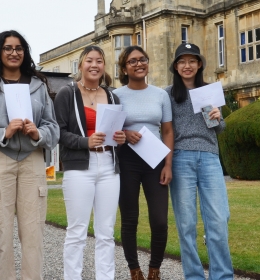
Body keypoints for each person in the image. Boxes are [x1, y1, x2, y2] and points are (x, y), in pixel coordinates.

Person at [0, 30, 59, 280]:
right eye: (8, 48)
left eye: (19, 48)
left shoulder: (38, 85)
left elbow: (53, 127)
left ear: (24, 52)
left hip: (32, 160)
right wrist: (4, 131)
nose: (14, 52)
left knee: (33, 234)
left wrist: (38, 133)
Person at [54, 45, 126, 280]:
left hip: (108, 166)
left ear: (104, 66)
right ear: (81, 65)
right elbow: (59, 133)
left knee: (106, 233)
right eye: (89, 61)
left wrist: (121, 137)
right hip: (79, 168)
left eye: (99, 61)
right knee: (77, 232)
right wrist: (86, 142)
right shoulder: (67, 93)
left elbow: (116, 129)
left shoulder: (113, 95)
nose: (94, 65)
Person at [165, 43, 234, 280]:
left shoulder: (210, 91)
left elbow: (220, 129)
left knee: (218, 220)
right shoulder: (168, 94)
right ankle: (193, 276)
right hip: (181, 157)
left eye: (192, 61)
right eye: (182, 62)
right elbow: (163, 129)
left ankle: (222, 275)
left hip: (210, 158)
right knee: (186, 224)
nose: (187, 66)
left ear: (199, 64)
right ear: (176, 66)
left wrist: (218, 117)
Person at [113, 46, 174, 280]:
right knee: (130, 219)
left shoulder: (161, 95)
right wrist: (125, 134)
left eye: (143, 60)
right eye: (132, 61)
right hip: (127, 159)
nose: (139, 64)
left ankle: (154, 269)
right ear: (124, 68)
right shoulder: (116, 95)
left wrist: (168, 164)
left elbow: (168, 131)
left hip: (155, 160)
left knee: (159, 220)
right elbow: (111, 128)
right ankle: (134, 270)